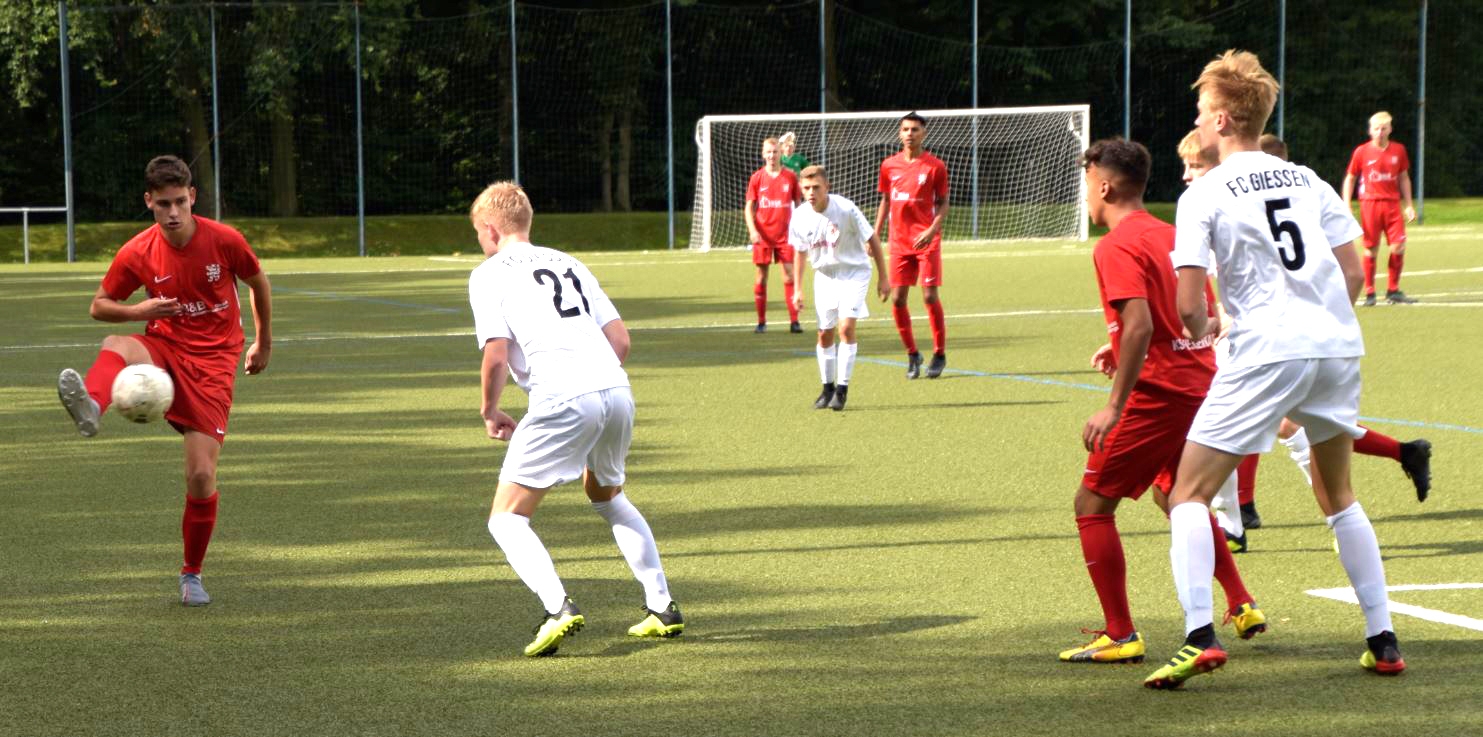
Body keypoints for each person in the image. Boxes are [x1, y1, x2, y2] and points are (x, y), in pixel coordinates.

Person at [1146, 50, 1403, 690]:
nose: (1199, 123)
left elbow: (1186, 302)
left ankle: (1199, 635)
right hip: (1336, 348)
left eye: (1203, 113)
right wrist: (1319, 322)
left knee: (1186, 494)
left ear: (1226, 119)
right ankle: (1383, 639)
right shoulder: (1309, 179)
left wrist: (1203, 329)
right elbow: (1351, 273)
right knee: (1338, 495)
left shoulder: (1203, 192)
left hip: (1266, 351)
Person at [1061, 138, 1265, 666]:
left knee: (1092, 506)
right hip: (1200, 385)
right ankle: (1241, 602)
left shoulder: (1113, 245)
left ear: (1103, 186)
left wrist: (1112, 405)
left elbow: (1142, 323)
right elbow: (1200, 314)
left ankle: (1120, 633)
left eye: (1087, 183)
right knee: (1179, 499)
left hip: (1160, 395)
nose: (1085, 193)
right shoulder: (1172, 233)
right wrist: (1128, 345)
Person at [466, 181, 681, 658]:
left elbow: (497, 356)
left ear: (488, 228)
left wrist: (489, 411)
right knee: (606, 496)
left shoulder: (488, 273)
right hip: (615, 390)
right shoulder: (569, 262)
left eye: (478, 234)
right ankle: (662, 608)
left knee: (506, 518)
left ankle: (557, 607)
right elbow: (620, 341)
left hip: (564, 396)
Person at [55, 155, 272, 607]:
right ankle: (93, 405)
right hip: (166, 349)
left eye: (180, 202)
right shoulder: (138, 250)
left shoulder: (225, 240)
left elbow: (258, 282)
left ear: (192, 197)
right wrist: (140, 311)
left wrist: (262, 343)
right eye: (163, 205)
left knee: (199, 475)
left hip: (213, 364)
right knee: (118, 338)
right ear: (148, 202)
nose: (173, 213)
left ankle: (191, 575)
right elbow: (100, 305)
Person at [789, 165, 890, 412]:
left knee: (845, 328)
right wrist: (798, 289)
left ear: (827, 187)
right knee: (824, 333)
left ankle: (842, 390)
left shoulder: (845, 209)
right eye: (806, 188)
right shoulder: (800, 216)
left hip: (854, 272)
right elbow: (800, 252)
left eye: (816, 187)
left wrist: (883, 277)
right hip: (825, 276)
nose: (811, 192)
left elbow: (872, 239)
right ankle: (827, 388)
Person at [875, 112, 950, 379]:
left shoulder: (935, 167)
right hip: (899, 242)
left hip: (926, 240)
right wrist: (875, 232)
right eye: (905, 129)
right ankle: (912, 354)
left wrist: (932, 230)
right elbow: (885, 200)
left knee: (929, 296)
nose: (910, 133)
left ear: (923, 134)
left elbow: (943, 203)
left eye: (915, 129)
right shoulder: (889, 166)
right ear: (899, 133)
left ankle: (939, 353)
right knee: (897, 299)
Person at [1342, 111, 1418, 306]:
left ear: (1390, 129)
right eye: (1376, 129)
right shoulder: (1362, 152)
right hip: (1370, 204)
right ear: (1370, 130)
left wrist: (1409, 205)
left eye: (1384, 128)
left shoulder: (1399, 150)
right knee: (1370, 249)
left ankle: (1393, 290)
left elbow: (1403, 178)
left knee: (1398, 246)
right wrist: (1346, 203)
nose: (1380, 132)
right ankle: (1370, 293)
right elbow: (1350, 178)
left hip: (1392, 205)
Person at [745, 137, 804, 333]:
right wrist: (753, 230)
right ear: (763, 154)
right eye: (768, 152)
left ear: (781, 153)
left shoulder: (790, 177)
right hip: (763, 235)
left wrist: (801, 228)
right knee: (761, 277)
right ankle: (761, 322)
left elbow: (799, 205)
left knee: (789, 275)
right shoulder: (757, 178)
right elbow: (748, 208)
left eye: (775, 152)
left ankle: (794, 322)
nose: (772, 155)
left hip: (786, 235)